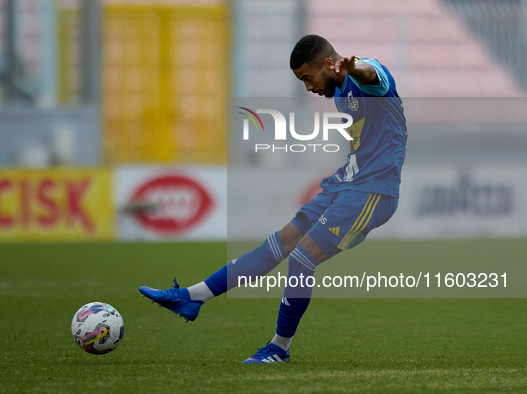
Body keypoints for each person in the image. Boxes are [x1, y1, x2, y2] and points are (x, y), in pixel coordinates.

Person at [139, 35, 407, 364]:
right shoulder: (338, 87)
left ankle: (279, 349)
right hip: (347, 183)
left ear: (328, 64)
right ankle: (192, 297)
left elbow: (373, 76)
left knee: (303, 258)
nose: (308, 88)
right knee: (279, 244)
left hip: (372, 191)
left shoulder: (365, 79)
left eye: (308, 78)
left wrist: (358, 69)